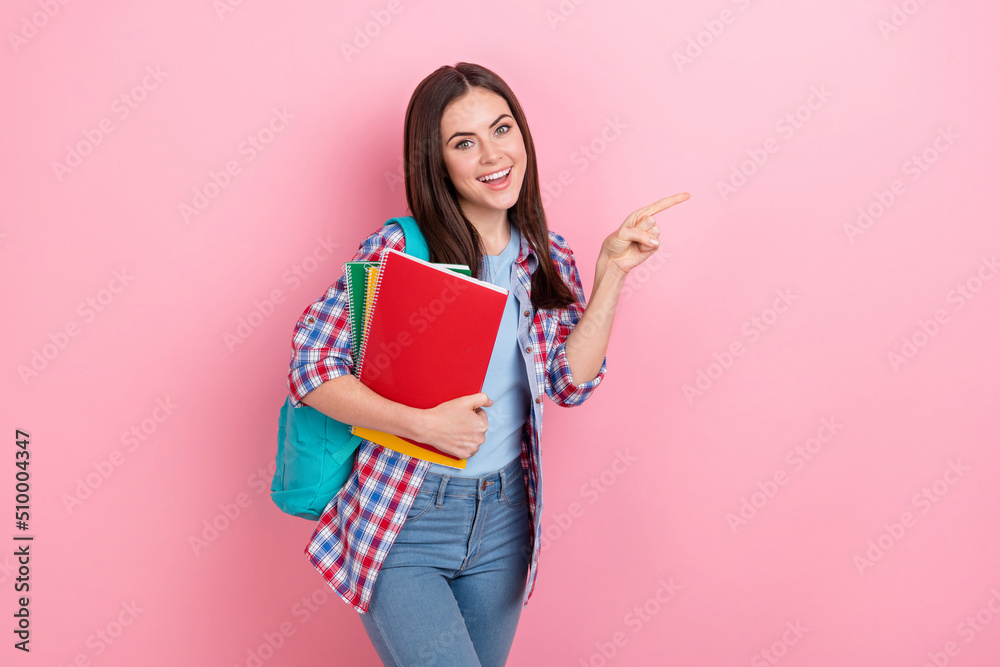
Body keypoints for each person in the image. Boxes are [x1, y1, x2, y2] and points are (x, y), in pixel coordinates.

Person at [286, 62, 689, 666]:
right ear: (436, 160)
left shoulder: (544, 255)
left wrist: (611, 275)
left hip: (505, 521)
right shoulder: (403, 249)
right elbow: (311, 365)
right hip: (407, 516)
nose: (491, 155)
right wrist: (423, 426)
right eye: (463, 142)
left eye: (501, 130)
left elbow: (567, 382)